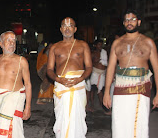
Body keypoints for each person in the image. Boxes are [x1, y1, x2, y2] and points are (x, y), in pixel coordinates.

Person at [103, 9, 158, 138]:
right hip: (120, 89)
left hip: (141, 87)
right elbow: (110, 69)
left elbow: (156, 69)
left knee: (139, 124)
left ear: (138, 22)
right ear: (123, 23)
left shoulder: (148, 42)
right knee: (119, 123)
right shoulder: (117, 43)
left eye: (133, 19)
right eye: (127, 20)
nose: (129, 22)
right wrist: (106, 93)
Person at [46, 17, 92, 138]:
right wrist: (58, 79)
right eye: (64, 26)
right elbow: (49, 70)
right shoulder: (55, 47)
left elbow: (89, 67)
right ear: (61, 29)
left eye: (70, 25)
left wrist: (80, 79)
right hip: (61, 85)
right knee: (62, 118)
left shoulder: (82, 45)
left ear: (75, 29)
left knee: (78, 118)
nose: (67, 28)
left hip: (78, 85)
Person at [0, 31, 32, 138]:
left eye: (14, 40)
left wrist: (28, 107)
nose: (12, 43)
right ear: (1, 44)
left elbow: (28, 84)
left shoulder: (22, 61)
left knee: (14, 131)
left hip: (15, 101)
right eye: (8, 40)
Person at [86, 40, 109, 113]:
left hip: (102, 74)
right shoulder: (93, 53)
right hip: (94, 73)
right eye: (98, 44)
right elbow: (89, 64)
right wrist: (95, 62)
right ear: (95, 45)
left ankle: (103, 106)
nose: (100, 46)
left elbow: (107, 63)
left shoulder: (104, 52)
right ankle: (91, 105)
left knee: (100, 90)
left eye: (101, 45)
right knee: (92, 89)